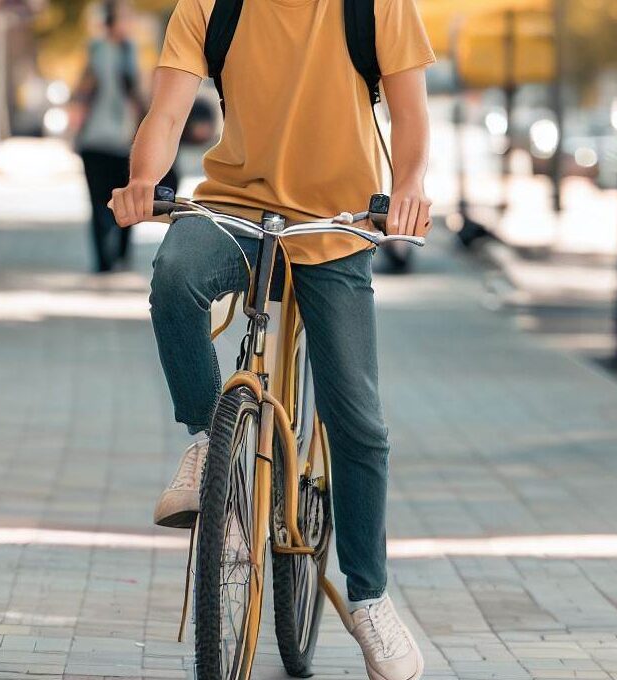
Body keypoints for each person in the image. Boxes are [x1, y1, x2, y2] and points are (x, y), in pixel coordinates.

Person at [109, 0, 435, 675]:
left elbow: (409, 113)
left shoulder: (375, 6)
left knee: (358, 422)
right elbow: (167, 112)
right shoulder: (209, 6)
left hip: (337, 224)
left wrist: (407, 189)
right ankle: (208, 443)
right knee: (174, 275)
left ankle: (370, 598)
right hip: (233, 210)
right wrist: (144, 180)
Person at [73, 2, 178, 272]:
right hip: (109, 141)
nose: (128, 24)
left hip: (104, 141)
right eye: (124, 19)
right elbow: (136, 98)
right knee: (117, 199)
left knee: (105, 200)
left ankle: (108, 260)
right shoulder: (115, 53)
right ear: (111, 22)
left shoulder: (108, 52)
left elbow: (84, 95)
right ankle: (113, 257)